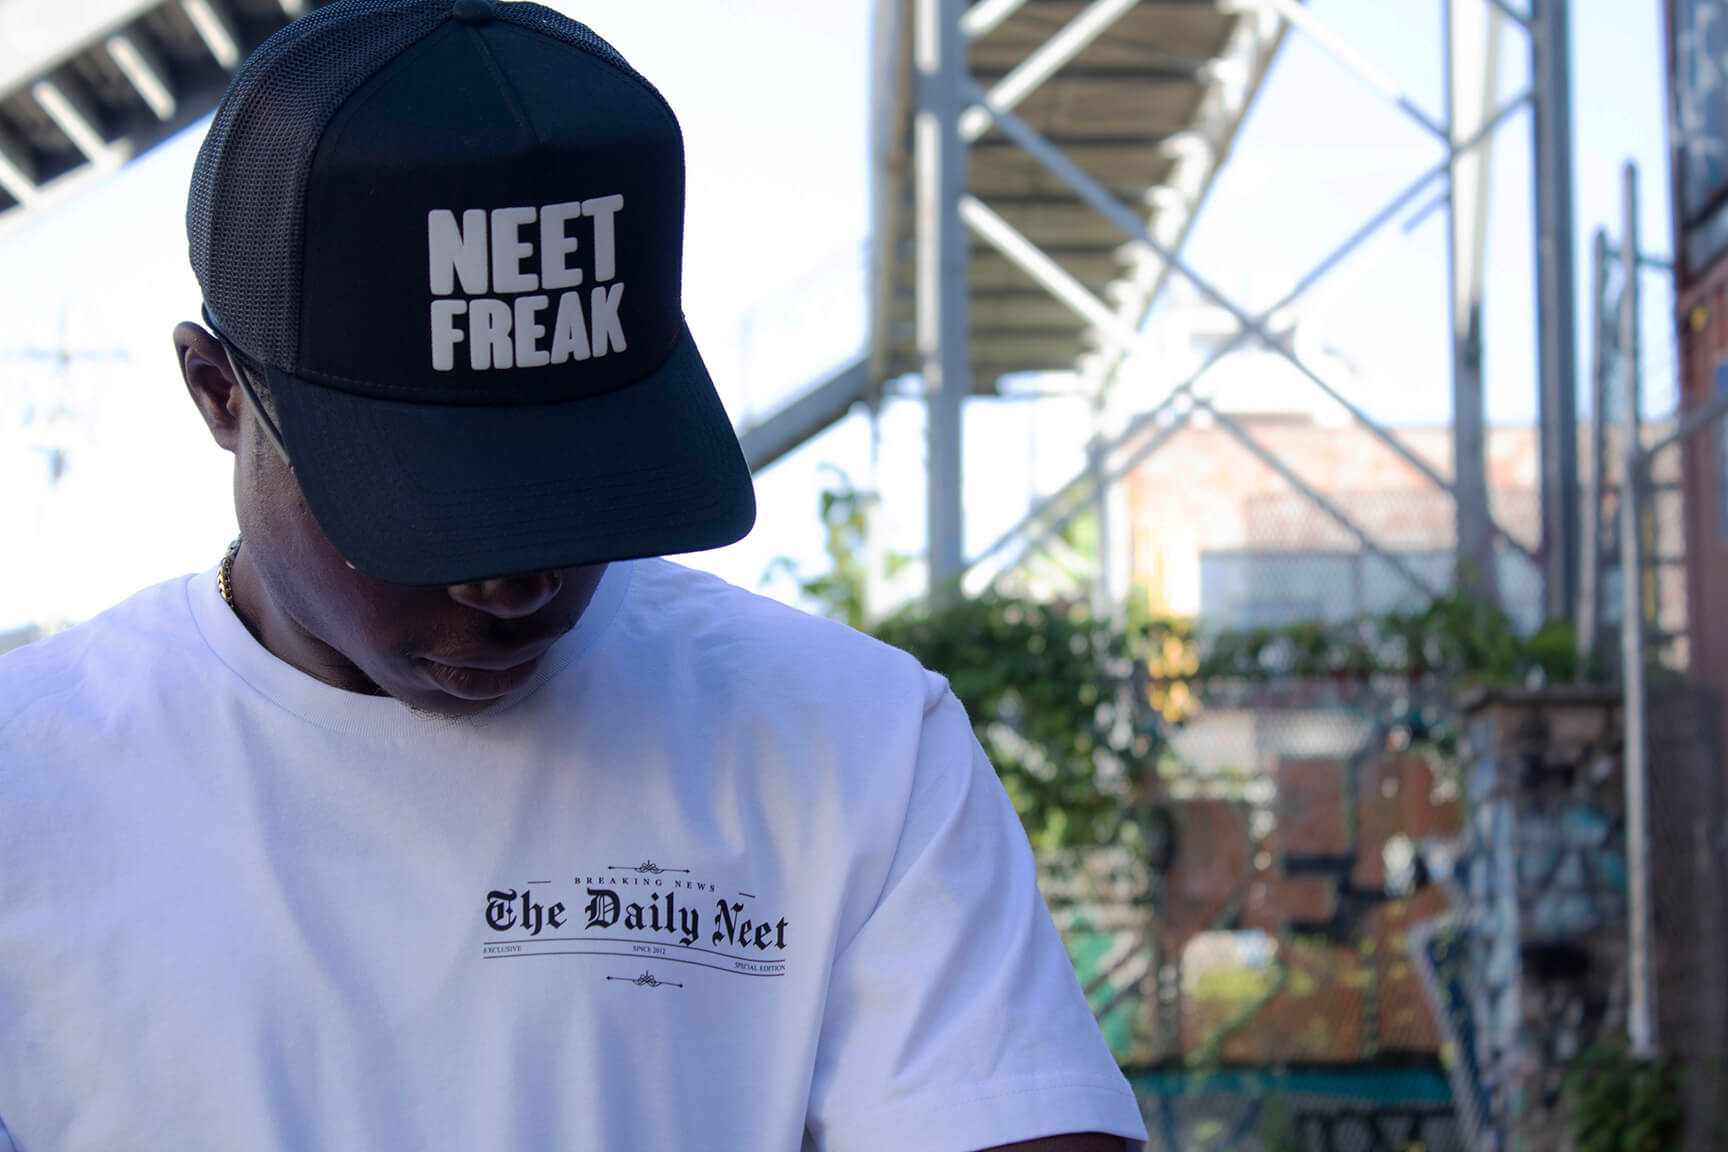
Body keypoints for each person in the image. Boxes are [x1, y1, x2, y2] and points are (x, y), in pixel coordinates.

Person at [0, 2, 1149, 1149]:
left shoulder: (857, 746)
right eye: (437, 508)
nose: (517, 583)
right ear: (216, 392)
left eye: (580, 486)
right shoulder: (30, 789)